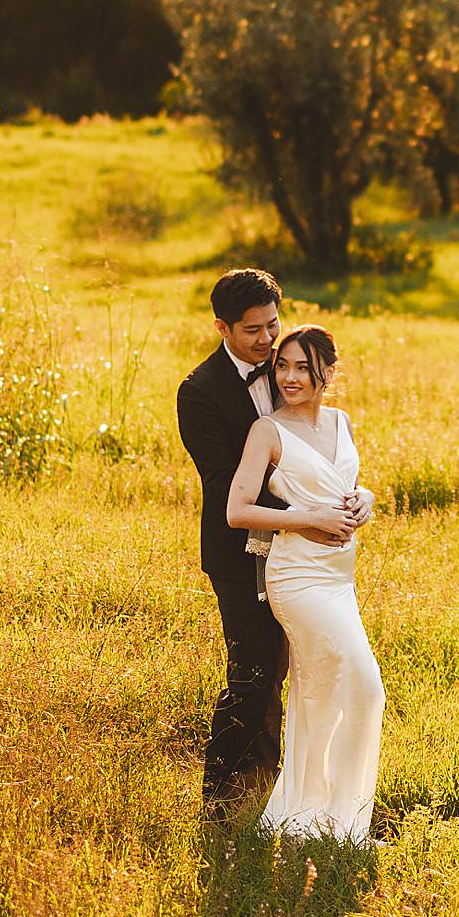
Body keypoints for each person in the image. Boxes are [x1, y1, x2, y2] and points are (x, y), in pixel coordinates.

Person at [226, 324, 384, 844]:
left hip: (340, 576)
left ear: (329, 373)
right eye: (283, 366)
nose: (290, 377)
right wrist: (305, 515)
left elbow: (343, 481)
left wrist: (364, 498)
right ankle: (339, 817)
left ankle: (315, 816)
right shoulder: (267, 431)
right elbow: (237, 510)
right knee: (365, 685)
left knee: (321, 690)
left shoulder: (341, 421)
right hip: (297, 576)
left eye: (302, 368)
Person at [176, 267, 293, 817]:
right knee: (251, 671)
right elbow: (224, 484)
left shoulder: (290, 367)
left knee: (282, 667)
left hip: (299, 550)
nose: (268, 340)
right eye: (253, 331)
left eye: (273, 324)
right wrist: (301, 510)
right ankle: (221, 798)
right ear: (222, 328)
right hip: (237, 549)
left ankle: (268, 784)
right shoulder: (200, 392)